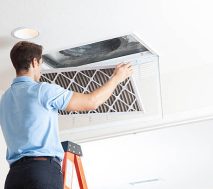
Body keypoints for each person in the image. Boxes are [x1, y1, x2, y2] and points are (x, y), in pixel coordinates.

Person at [0, 41, 133, 189]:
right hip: (40, 171)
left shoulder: (4, 99)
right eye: (41, 64)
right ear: (34, 62)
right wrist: (116, 78)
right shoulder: (42, 90)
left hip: (14, 178)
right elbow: (92, 101)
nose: (41, 70)